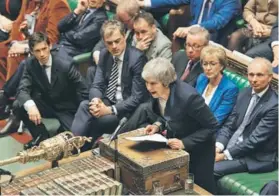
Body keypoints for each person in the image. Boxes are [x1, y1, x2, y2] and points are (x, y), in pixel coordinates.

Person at [122, 58, 218, 193]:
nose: (148, 87)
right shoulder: (157, 92)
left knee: (200, 190)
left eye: (153, 83)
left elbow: (212, 126)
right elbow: (169, 114)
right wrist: (158, 125)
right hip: (175, 147)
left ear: (166, 82)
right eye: (147, 83)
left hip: (198, 151)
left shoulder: (189, 98)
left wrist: (184, 143)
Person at [71, 20, 148, 149]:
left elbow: (137, 98)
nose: (114, 46)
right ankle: (72, 147)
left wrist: (109, 110)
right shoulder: (104, 54)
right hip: (107, 101)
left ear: (124, 36)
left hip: (126, 110)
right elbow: (97, 85)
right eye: (109, 43)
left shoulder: (137, 58)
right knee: (85, 106)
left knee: (98, 120)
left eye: (117, 41)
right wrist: (96, 101)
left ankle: (82, 148)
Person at [14, 32, 88, 149]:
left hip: (67, 107)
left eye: (44, 49)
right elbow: (22, 89)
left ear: (50, 46)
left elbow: (83, 89)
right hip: (46, 104)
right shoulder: (30, 64)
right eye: (38, 51)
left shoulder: (65, 64)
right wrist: (31, 106)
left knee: (77, 144)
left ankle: (63, 130)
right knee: (19, 104)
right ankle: (41, 136)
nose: (42, 54)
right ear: (32, 52)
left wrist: (81, 114)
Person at [214, 58, 278, 179]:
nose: (254, 80)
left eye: (259, 75)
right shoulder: (244, 93)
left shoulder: (275, 105)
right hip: (233, 147)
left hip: (254, 156)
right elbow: (230, 124)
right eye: (251, 74)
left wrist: (224, 155)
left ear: (270, 77)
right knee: (198, 158)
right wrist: (218, 147)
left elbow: (255, 140)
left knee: (211, 168)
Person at [0, 0, 70, 85]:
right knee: (2, 50)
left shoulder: (58, 4)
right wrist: (15, 43)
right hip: (29, 42)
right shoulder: (29, 2)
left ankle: (11, 94)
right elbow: (17, 25)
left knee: (15, 56)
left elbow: (52, 40)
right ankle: (2, 90)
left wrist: (25, 48)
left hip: (47, 50)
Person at [136, 0, 241, 41]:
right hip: (191, 33)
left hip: (213, 39)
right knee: (176, 35)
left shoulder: (231, 2)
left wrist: (191, 29)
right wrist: (145, 3)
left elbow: (217, 22)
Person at [196, 46, 238, 126]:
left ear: (221, 66)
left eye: (213, 64)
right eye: (205, 64)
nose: (208, 68)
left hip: (208, 130)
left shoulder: (230, 89)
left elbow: (216, 120)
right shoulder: (202, 78)